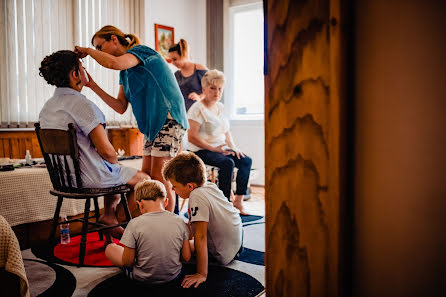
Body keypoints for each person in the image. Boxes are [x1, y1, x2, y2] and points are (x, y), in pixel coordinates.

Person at [74, 25, 189, 213]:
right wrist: (92, 85)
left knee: (159, 179)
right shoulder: (124, 72)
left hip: (168, 118)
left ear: (113, 39)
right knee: (147, 179)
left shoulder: (141, 52)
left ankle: (170, 226)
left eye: (99, 47)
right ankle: (149, 224)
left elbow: (113, 63)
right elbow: (120, 106)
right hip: (152, 127)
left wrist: (87, 51)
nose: (97, 52)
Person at [38, 50, 149, 237]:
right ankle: (115, 219)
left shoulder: (47, 108)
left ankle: (108, 215)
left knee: (113, 170)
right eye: (82, 68)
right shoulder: (82, 105)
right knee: (143, 179)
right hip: (88, 178)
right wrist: (115, 163)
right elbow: (107, 151)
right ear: (76, 75)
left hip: (64, 180)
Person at [162, 152, 243, 288]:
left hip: (223, 253)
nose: (172, 189)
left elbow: (200, 236)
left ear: (190, 186)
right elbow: (192, 227)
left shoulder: (197, 196)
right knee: (182, 239)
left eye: (174, 186)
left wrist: (201, 273)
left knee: (178, 250)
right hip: (237, 242)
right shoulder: (209, 186)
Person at [186, 69, 252, 215]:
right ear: (204, 89)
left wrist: (233, 148)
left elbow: (226, 131)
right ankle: (224, 205)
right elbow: (192, 137)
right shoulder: (197, 109)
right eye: (213, 88)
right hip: (200, 150)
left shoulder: (220, 107)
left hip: (221, 149)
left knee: (246, 161)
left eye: (220, 89)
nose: (217, 92)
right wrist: (214, 149)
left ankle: (238, 202)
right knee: (228, 163)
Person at [105, 179, 191, 284]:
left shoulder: (134, 224)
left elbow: (127, 262)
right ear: (166, 202)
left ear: (139, 204)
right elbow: (186, 257)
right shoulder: (180, 221)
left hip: (141, 278)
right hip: (173, 276)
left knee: (110, 248)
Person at [168, 39, 208, 111]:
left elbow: (212, 90)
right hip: (184, 114)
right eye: (171, 60)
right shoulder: (176, 75)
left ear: (184, 55)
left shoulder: (199, 70)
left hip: (199, 112)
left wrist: (199, 97)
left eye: (174, 59)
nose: (172, 63)